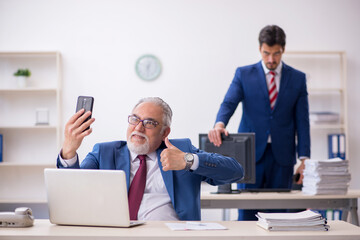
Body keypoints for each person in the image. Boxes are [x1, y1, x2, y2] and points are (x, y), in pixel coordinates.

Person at [57, 97, 244, 221]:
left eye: (149, 123)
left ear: (165, 132)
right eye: (134, 119)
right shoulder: (104, 152)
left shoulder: (181, 150)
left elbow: (235, 172)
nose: (138, 128)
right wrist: (69, 151)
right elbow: (74, 193)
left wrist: (188, 160)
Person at [208, 25, 310, 220]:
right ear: (259, 49)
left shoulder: (297, 78)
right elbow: (229, 102)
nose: (271, 59)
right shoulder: (244, 74)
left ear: (283, 50)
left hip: (283, 157)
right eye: (266, 53)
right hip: (250, 155)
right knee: (247, 212)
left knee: (280, 214)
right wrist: (219, 124)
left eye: (276, 53)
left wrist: (304, 160)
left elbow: (302, 121)